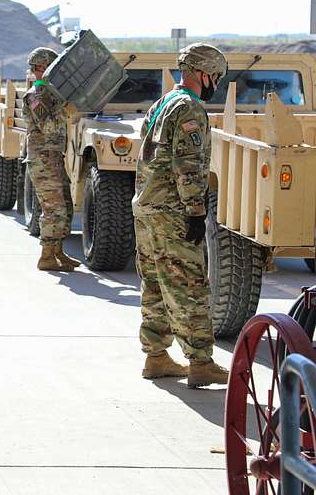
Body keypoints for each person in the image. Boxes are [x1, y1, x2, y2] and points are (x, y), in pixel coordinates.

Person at [133, 43, 229, 387]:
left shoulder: (161, 104)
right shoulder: (189, 108)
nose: (214, 82)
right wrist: (195, 212)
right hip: (172, 212)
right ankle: (200, 362)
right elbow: (188, 166)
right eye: (214, 76)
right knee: (189, 285)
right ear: (203, 74)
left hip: (147, 208)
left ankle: (156, 356)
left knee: (156, 284)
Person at [23, 47, 80, 272]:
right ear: (41, 68)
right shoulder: (36, 95)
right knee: (53, 209)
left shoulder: (50, 92)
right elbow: (47, 127)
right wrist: (65, 111)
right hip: (43, 160)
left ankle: (58, 252)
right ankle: (46, 256)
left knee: (64, 205)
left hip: (53, 158)